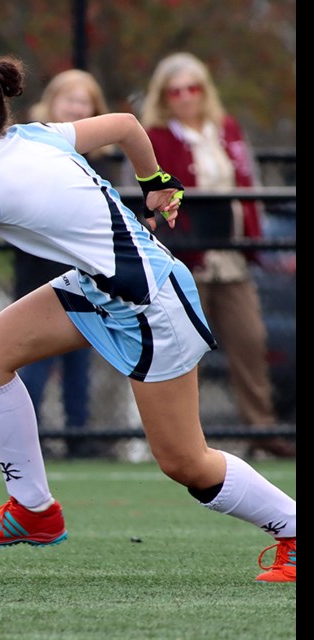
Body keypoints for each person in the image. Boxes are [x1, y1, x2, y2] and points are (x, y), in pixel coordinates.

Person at [0, 56, 296, 583]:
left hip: (152, 305)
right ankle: (32, 510)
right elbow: (125, 126)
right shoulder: (36, 134)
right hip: (100, 289)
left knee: (185, 462)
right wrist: (156, 182)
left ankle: (295, 530)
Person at [138, 52, 294, 459]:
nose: (186, 97)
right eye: (176, 91)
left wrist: (256, 239)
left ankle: (260, 428)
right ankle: (185, 439)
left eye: (194, 88)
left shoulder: (226, 129)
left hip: (234, 257)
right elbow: (146, 198)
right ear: (165, 97)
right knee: (187, 347)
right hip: (187, 258)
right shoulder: (156, 136)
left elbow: (249, 184)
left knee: (250, 340)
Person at [14, 69, 117, 458]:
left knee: (79, 360)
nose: (75, 107)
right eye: (68, 99)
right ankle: (29, 441)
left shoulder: (101, 163)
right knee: (34, 362)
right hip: (39, 277)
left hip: (89, 282)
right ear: (51, 103)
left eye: (84, 101)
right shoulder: (32, 151)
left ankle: (79, 436)